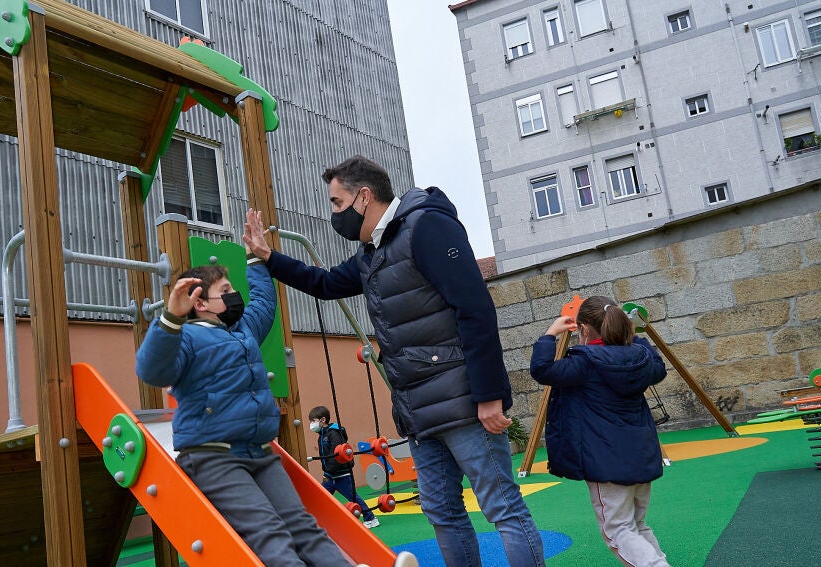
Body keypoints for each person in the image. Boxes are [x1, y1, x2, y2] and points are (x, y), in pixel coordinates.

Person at [244, 156, 546, 567]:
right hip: (418, 411)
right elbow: (326, 283)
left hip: (462, 402)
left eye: (337, 203)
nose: (334, 214)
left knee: (502, 508)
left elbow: (475, 308)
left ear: (363, 197)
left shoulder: (426, 227)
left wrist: (490, 395)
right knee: (443, 513)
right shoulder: (372, 255)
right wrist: (269, 257)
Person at [134, 213, 355, 567]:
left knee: (303, 527)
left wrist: (256, 257)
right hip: (213, 456)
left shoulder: (241, 331)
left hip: (259, 452)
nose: (234, 295)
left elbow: (265, 305)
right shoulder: (186, 338)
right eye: (226, 292)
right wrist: (170, 320)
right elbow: (151, 370)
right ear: (200, 303)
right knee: (269, 532)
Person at [529, 295, 670, 567]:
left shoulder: (584, 363)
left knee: (617, 530)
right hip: (641, 454)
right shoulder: (639, 357)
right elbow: (658, 367)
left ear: (583, 330)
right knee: (637, 525)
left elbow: (542, 370)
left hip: (605, 462)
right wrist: (635, 335)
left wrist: (550, 334)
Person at [308, 405, 379, 529]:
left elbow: (336, 456)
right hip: (331, 476)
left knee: (353, 497)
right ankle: (315, 523)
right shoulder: (321, 435)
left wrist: (327, 472)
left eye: (313, 421)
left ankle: (371, 518)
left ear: (322, 420)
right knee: (321, 497)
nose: (311, 424)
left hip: (341, 474)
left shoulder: (334, 434)